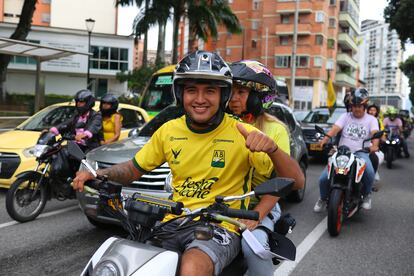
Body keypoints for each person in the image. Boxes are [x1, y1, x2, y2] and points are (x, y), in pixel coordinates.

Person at [72, 51, 304, 276]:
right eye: (192, 90)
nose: (200, 99)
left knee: (192, 269)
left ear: (223, 95)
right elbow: (132, 169)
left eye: (210, 91)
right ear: (180, 93)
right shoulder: (168, 131)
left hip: (221, 227)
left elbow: (296, 181)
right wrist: (98, 174)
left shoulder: (242, 132)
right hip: (171, 222)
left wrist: (272, 149)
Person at [228, 60, 293, 276]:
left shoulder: (276, 131)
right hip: (224, 204)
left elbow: (280, 182)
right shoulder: (223, 124)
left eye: (240, 92)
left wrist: (256, 215)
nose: (232, 98)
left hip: (260, 205)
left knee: (253, 247)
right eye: (230, 91)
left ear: (258, 97)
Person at [314, 88, 379, 212]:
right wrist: (325, 140)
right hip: (343, 152)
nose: (356, 109)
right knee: (323, 178)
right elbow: (335, 128)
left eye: (359, 106)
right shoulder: (345, 116)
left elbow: (375, 133)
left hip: (361, 152)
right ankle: (322, 198)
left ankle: (366, 195)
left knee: (370, 172)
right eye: (354, 106)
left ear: (364, 106)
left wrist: (374, 146)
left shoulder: (372, 120)